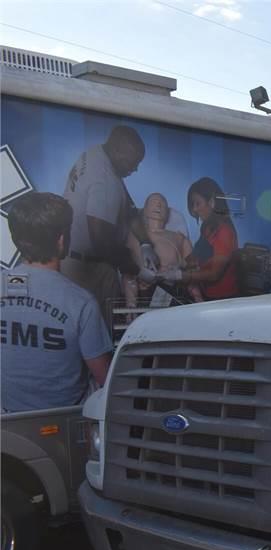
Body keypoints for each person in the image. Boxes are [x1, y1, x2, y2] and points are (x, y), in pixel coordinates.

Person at [1, 192, 113, 413]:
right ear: (61, 240)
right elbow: (105, 377)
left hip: (7, 425)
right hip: (63, 424)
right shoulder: (81, 303)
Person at [61, 125, 148, 326]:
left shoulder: (95, 154)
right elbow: (101, 240)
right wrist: (134, 268)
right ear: (118, 151)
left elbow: (129, 205)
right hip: (88, 269)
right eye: (133, 162)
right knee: (98, 329)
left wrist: (145, 243)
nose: (135, 168)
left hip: (75, 261)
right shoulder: (105, 178)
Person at [123, 193, 203, 307]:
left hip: (174, 295)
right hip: (146, 295)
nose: (158, 205)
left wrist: (198, 299)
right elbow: (128, 275)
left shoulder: (179, 238)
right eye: (153, 202)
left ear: (168, 213)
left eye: (163, 204)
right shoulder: (136, 237)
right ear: (144, 210)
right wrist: (131, 305)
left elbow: (192, 272)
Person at [177, 177, 239, 300]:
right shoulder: (207, 229)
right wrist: (175, 264)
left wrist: (183, 275)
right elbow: (197, 257)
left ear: (211, 202)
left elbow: (214, 274)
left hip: (223, 299)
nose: (194, 209)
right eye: (192, 205)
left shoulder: (224, 231)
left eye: (197, 203)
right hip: (207, 294)